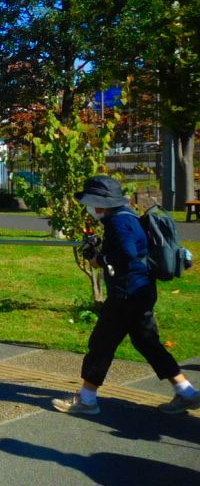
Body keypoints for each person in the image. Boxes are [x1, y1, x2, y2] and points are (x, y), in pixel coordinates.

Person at [52, 175, 200, 416]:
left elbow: (128, 253)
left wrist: (100, 259)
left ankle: (87, 400)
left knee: (101, 343)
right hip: (142, 291)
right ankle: (186, 392)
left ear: (101, 201)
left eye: (91, 202)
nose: (90, 208)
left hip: (126, 294)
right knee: (147, 343)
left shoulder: (118, 222)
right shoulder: (128, 215)